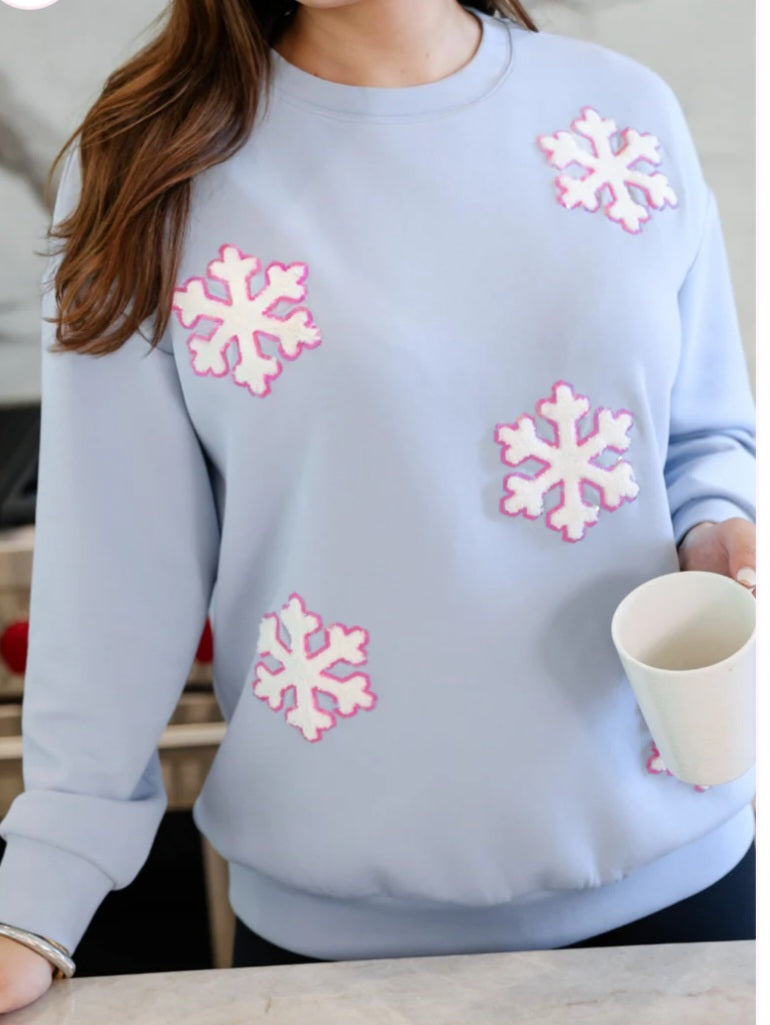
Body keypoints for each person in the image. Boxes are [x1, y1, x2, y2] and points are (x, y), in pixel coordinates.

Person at [0, 0, 757, 1011]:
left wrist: (716, 529)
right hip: (337, 953)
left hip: (684, 896)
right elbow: (114, 580)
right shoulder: (151, 169)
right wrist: (34, 899)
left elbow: (703, 437)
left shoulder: (620, 113)